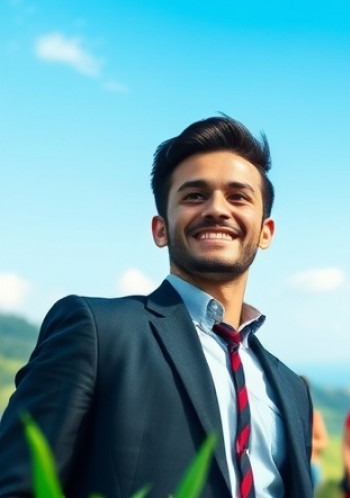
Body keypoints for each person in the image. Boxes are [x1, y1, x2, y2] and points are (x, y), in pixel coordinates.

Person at [0, 116, 315, 497]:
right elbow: (20, 485)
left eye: (238, 196)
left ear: (266, 231)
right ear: (160, 228)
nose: (217, 209)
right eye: (194, 196)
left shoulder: (292, 389)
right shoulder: (97, 333)